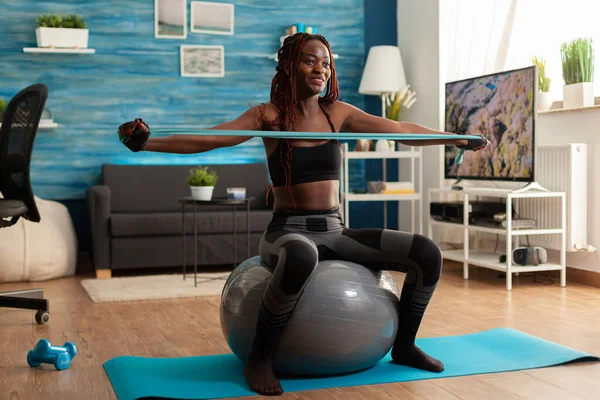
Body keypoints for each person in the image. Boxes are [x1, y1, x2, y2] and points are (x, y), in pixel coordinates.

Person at [118, 32, 489, 396]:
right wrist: (146, 143)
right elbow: (208, 138)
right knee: (301, 254)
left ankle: (404, 345)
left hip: (334, 229)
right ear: (289, 67)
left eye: (326, 63)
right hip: (287, 231)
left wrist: (451, 137)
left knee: (426, 252)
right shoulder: (268, 117)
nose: (320, 69)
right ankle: (259, 359)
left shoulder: (337, 114)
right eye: (310, 60)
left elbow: (399, 129)